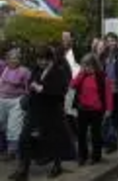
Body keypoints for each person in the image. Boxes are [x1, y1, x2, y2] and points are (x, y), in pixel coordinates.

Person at [9, 46, 74, 180]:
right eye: (39, 59)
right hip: (35, 109)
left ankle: (57, 165)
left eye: (45, 59)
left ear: (50, 59)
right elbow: (31, 81)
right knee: (24, 138)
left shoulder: (58, 71)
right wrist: (33, 86)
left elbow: (61, 92)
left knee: (54, 139)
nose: (42, 62)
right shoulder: (37, 69)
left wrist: (42, 89)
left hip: (51, 110)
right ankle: (23, 170)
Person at [72, 53, 113, 165]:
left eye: (87, 66)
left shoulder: (102, 77)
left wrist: (109, 110)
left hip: (96, 110)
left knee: (96, 134)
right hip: (82, 109)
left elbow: (108, 94)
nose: (85, 68)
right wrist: (81, 74)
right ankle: (82, 156)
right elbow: (72, 85)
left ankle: (96, 156)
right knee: (81, 134)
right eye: (84, 65)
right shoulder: (82, 75)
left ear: (94, 65)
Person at [0, 49, 31, 161]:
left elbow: (29, 87)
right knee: (1, 124)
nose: (14, 60)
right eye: (11, 58)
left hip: (16, 101)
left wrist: (26, 100)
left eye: (16, 58)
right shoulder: (3, 68)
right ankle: (2, 147)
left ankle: (12, 151)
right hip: (2, 99)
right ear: (7, 60)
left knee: (13, 127)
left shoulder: (24, 71)